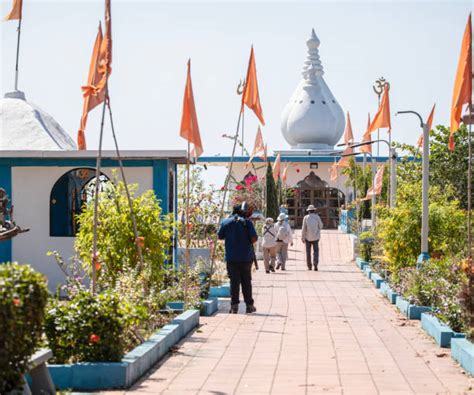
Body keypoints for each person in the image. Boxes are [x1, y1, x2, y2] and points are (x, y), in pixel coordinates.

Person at [218, 203, 258, 314]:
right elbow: (254, 238)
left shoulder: (225, 222)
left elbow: (220, 236)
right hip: (245, 257)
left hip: (231, 258)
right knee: (246, 282)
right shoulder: (247, 223)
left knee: (234, 283)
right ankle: (249, 306)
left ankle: (234, 306)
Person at [301, 204, 324, 271]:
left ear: (308, 211)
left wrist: (302, 237)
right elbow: (321, 226)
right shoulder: (317, 217)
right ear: (314, 210)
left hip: (307, 237)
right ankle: (315, 264)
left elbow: (303, 228)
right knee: (316, 251)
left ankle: (309, 266)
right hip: (316, 237)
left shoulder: (305, 217)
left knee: (308, 252)